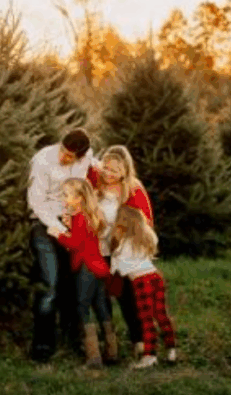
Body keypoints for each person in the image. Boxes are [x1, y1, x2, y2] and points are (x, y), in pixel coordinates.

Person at [27, 128, 99, 362]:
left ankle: (72, 339)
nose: (64, 158)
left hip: (73, 223)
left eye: (70, 156)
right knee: (50, 284)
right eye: (63, 152)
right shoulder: (42, 160)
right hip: (45, 224)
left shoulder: (85, 158)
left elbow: (95, 164)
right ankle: (42, 348)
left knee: (73, 284)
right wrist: (57, 229)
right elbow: (36, 201)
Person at [88, 145, 153, 358]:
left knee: (128, 296)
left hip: (122, 251)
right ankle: (110, 343)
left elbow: (145, 224)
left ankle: (140, 340)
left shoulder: (134, 190)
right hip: (98, 250)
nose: (108, 174)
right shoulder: (95, 183)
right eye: (105, 168)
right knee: (102, 297)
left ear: (125, 171)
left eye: (114, 170)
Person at [48, 178, 117, 368]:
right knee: (101, 307)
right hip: (99, 267)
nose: (64, 198)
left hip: (86, 267)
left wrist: (58, 234)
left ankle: (93, 357)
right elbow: (84, 239)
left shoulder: (80, 217)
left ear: (79, 198)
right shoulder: (89, 216)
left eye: (66, 195)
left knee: (83, 307)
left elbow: (75, 244)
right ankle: (112, 352)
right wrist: (70, 227)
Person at [109, 205, 177, 369]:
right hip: (155, 277)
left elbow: (120, 269)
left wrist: (114, 252)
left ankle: (150, 356)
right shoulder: (147, 237)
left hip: (141, 281)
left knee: (146, 319)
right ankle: (171, 350)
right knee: (161, 314)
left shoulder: (124, 244)